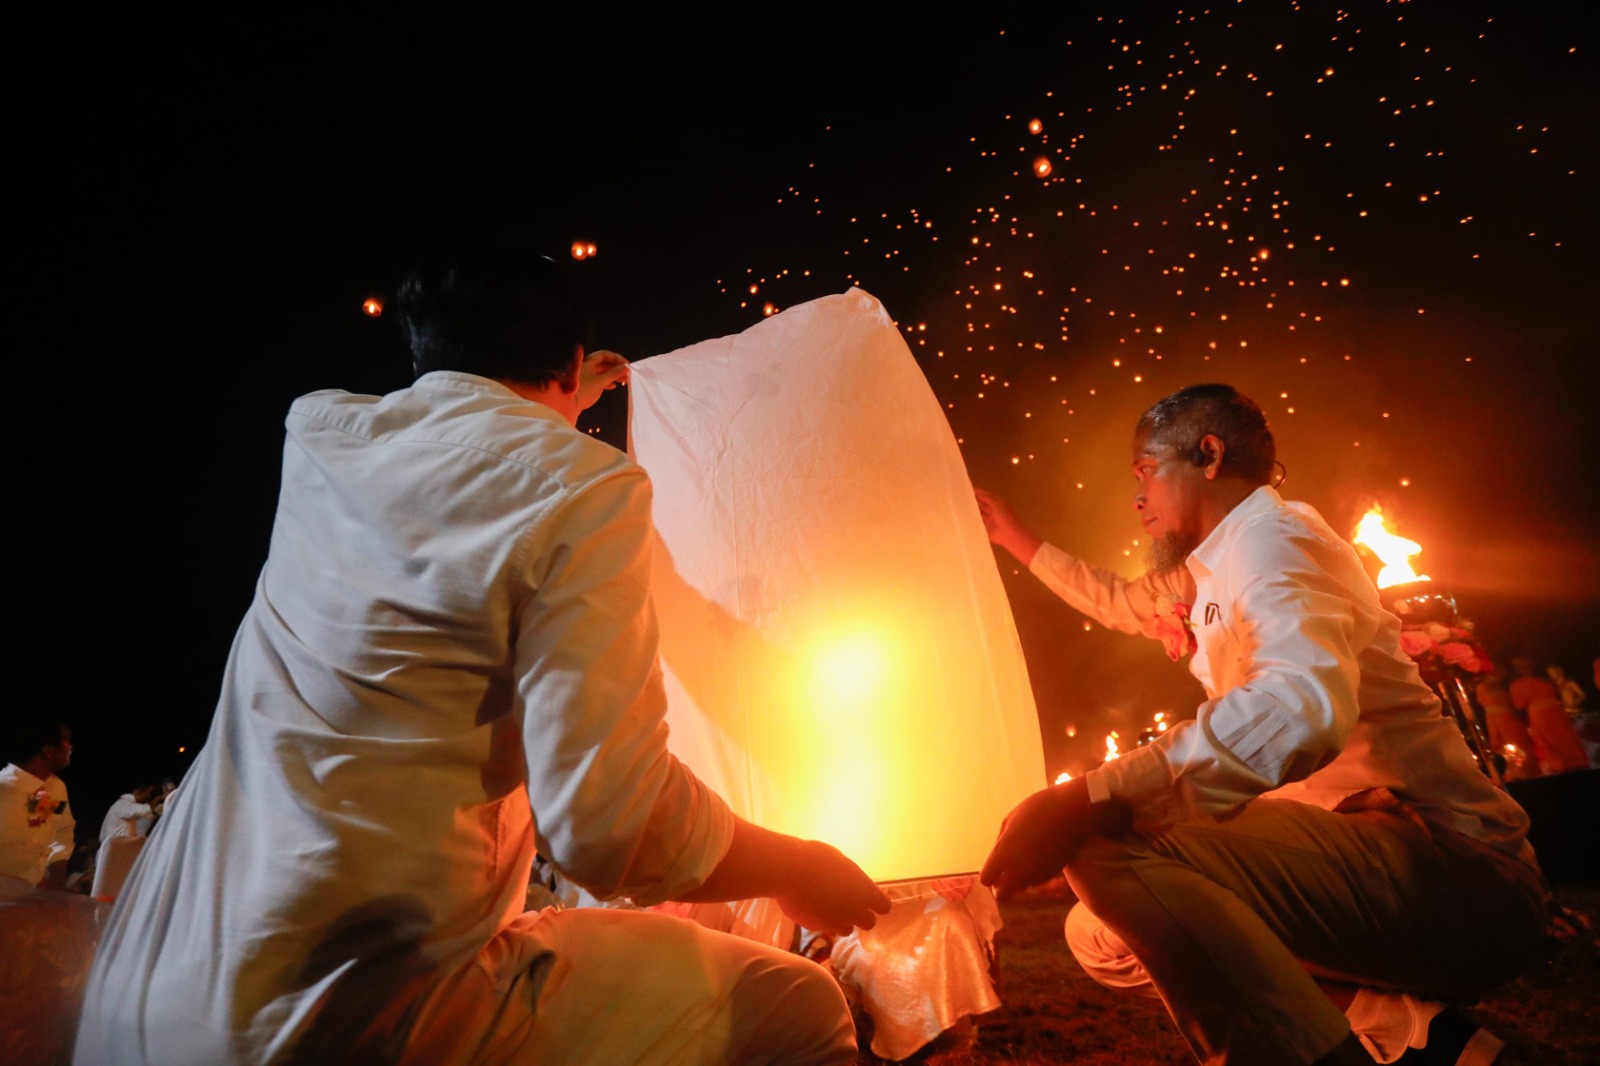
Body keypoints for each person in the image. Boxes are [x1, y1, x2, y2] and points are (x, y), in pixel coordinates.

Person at [75, 247, 889, 1065]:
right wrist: (794, 864)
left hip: (142, 1006)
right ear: (570, 361)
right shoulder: (587, 491)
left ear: (424, 351)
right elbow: (607, 824)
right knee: (795, 1004)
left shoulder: (319, 435)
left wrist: (561, 404)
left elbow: (463, 458)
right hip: (341, 1012)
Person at [976, 384, 1550, 1066]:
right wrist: (1011, 535)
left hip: (1456, 875)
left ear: (1209, 454)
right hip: (1370, 864)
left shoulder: (1276, 543)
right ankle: (1426, 1037)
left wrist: (1091, 794)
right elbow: (1119, 602)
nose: (1137, 498)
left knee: (1108, 841)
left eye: (1146, 471)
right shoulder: (1211, 567)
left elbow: (1296, 705)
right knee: (1098, 933)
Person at [0, 722, 76, 889]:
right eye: (66, 741)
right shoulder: (4, 790)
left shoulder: (57, 790)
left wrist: (57, 874)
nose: (71, 747)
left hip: (33, 896)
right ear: (48, 751)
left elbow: (63, 830)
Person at [1509, 656, 1588, 774]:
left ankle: (1574, 763)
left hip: (1552, 712)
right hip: (1542, 714)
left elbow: (1558, 695)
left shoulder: (1545, 680)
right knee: (1551, 739)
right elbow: (1520, 705)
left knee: (1564, 736)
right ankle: (1562, 765)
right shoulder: (1519, 684)